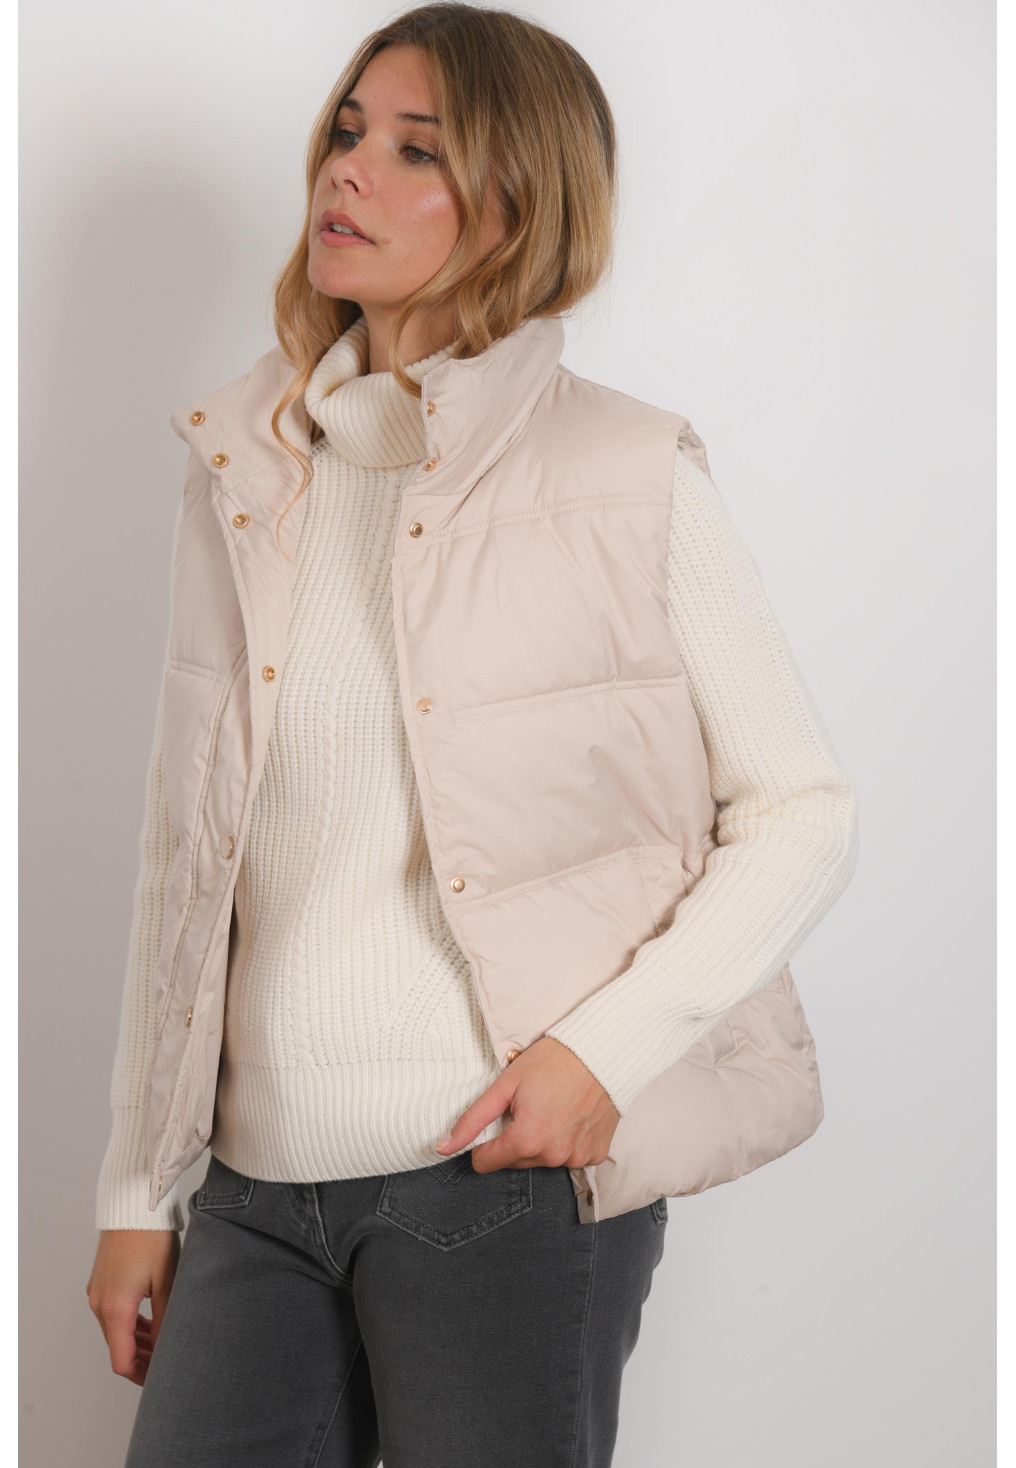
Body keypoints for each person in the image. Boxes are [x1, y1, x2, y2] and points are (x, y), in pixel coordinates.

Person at [85, 5, 859, 1465]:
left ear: (517, 205)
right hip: (252, 1193)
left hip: (501, 1181)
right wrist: (137, 1188)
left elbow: (802, 808)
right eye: (347, 130)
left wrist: (601, 1056)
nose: (349, 169)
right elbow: (188, 851)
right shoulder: (244, 473)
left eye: (416, 149)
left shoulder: (626, 471)